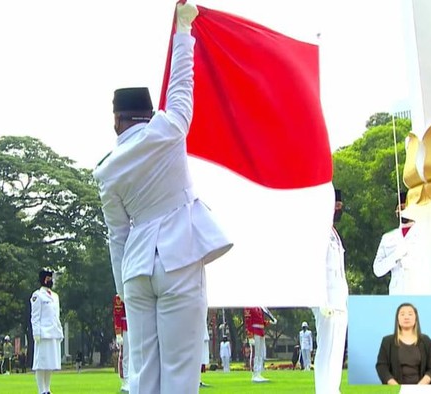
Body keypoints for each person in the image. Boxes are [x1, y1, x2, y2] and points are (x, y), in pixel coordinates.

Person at [93, 3, 232, 394]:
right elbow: (182, 84)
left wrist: (123, 289)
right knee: (180, 371)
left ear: (117, 121)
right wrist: (183, 31)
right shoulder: (168, 129)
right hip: (179, 254)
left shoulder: (106, 171)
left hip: (137, 269)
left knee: (144, 374)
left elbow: (116, 237)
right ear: (149, 112)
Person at [312, 189, 349, 393]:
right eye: (337, 205)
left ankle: (332, 389)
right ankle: (324, 390)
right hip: (326, 299)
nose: (338, 209)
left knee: (336, 352)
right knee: (326, 351)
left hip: (339, 299)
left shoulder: (333, 233)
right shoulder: (319, 232)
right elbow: (314, 267)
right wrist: (320, 299)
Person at [373, 192, 425, 294]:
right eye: (400, 208)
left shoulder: (423, 233)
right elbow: (377, 270)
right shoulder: (388, 238)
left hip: (418, 290)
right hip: (397, 292)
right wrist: (395, 256)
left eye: (405, 208)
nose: (402, 211)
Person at [376, 303, 431, 385]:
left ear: (416, 318)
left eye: (410, 314)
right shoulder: (387, 341)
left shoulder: (426, 341)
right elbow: (382, 367)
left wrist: (420, 387)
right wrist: (396, 387)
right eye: (402, 314)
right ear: (397, 318)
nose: (406, 317)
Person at [31, 269, 64, 394]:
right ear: (45, 279)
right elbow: (35, 316)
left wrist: (59, 331)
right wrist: (36, 332)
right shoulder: (37, 295)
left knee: (50, 363)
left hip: (54, 332)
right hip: (43, 333)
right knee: (41, 363)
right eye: (50, 278)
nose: (52, 281)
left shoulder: (55, 296)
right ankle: (41, 390)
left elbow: (56, 316)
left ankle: (47, 388)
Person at [243, 307, 275, 383]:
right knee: (255, 353)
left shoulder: (259, 307)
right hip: (254, 331)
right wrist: (250, 335)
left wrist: (269, 322)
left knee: (260, 354)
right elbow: (248, 321)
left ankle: (259, 373)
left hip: (261, 331)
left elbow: (261, 321)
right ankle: (254, 374)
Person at [113, 294, 129, 391]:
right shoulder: (119, 297)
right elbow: (117, 315)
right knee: (125, 354)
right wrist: (118, 333)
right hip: (125, 327)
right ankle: (125, 380)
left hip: (137, 325)